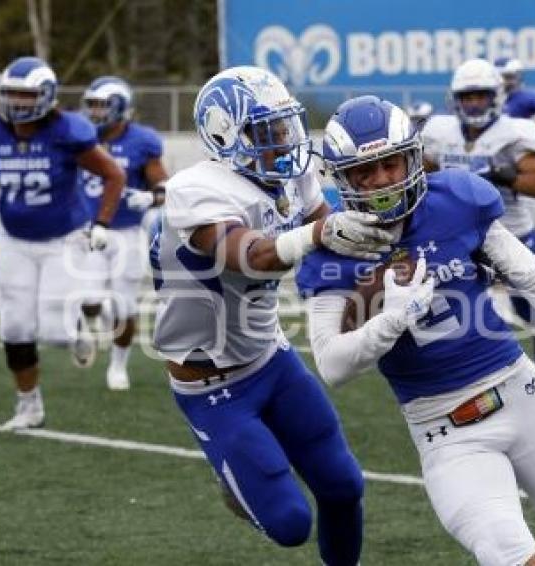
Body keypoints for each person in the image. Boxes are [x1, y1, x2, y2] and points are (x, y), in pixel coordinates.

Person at [296, 95, 535, 566]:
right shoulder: (331, 249)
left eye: (390, 164)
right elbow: (331, 364)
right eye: (363, 172)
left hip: (519, 389)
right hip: (444, 427)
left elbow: (532, 276)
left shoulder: (456, 200)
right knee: (506, 551)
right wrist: (391, 319)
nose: (381, 181)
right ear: (342, 179)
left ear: (411, 158)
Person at [150, 66, 393, 565]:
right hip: (210, 383)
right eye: (267, 131)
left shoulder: (290, 173)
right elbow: (250, 254)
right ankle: (234, 482)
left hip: (271, 358)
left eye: (285, 126)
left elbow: (332, 234)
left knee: (344, 486)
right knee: (290, 525)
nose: (283, 140)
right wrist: (318, 236)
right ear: (224, 135)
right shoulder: (196, 190)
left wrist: (378, 244)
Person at [0, 56, 124, 429]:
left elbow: (113, 175)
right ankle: (29, 406)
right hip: (14, 240)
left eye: (26, 95)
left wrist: (102, 222)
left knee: (55, 333)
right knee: (15, 328)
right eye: (11, 95)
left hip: (62, 239)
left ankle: (82, 325)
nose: (18, 103)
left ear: (47, 96)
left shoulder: (67, 132)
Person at [421, 58, 535, 368]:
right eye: (467, 97)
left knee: (524, 303)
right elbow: (422, 175)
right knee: (462, 296)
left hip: (510, 230)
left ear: (495, 96)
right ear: (455, 100)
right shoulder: (441, 131)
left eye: (479, 95)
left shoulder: (514, 132)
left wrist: (504, 175)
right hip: (460, 231)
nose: (473, 103)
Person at [75, 76, 169, 390]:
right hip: (90, 231)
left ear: (120, 107)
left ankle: (118, 365)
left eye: (102, 105)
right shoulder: (80, 136)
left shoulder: (142, 141)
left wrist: (152, 197)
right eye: (92, 105)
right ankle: (99, 318)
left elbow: (163, 186)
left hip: (128, 233)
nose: (95, 112)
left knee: (125, 306)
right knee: (88, 301)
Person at [495, 57, 535, 271]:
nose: (504, 82)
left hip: (528, 178)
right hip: (502, 182)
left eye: (508, 77)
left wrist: (513, 149)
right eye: (500, 77)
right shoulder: (490, 103)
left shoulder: (527, 102)